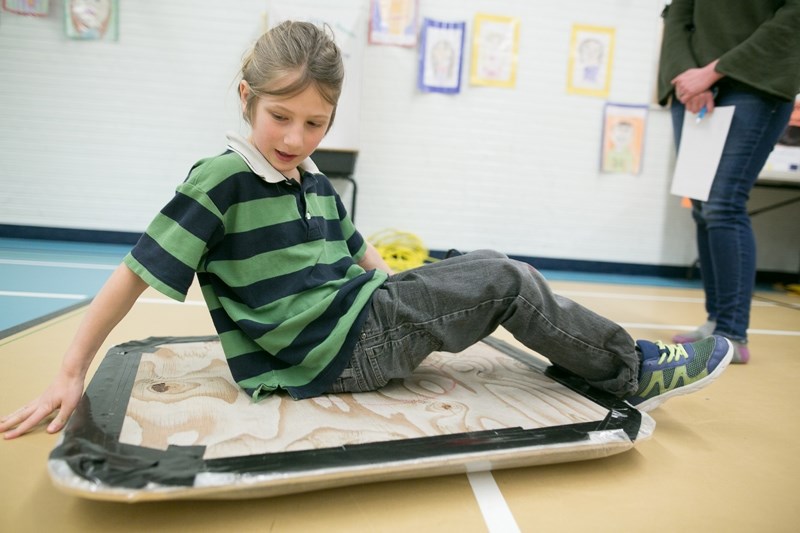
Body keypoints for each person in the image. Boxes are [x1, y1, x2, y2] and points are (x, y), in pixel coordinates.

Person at [1, 21, 733, 440]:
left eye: (314, 122)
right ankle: (634, 368)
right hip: (328, 352)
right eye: (279, 117)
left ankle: (586, 356)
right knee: (504, 277)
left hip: (357, 323)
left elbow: (367, 260)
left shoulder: (312, 180)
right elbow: (134, 271)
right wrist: (69, 370)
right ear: (246, 98)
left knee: (478, 265)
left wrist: (424, 294)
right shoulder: (220, 180)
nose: (295, 136)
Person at [657, 0, 800, 363]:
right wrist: (689, 76)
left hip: (755, 81)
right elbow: (678, 12)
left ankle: (732, 333)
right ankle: (716, 322)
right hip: (688, 86)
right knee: (703, 206)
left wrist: (714, 71)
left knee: (723, 203)